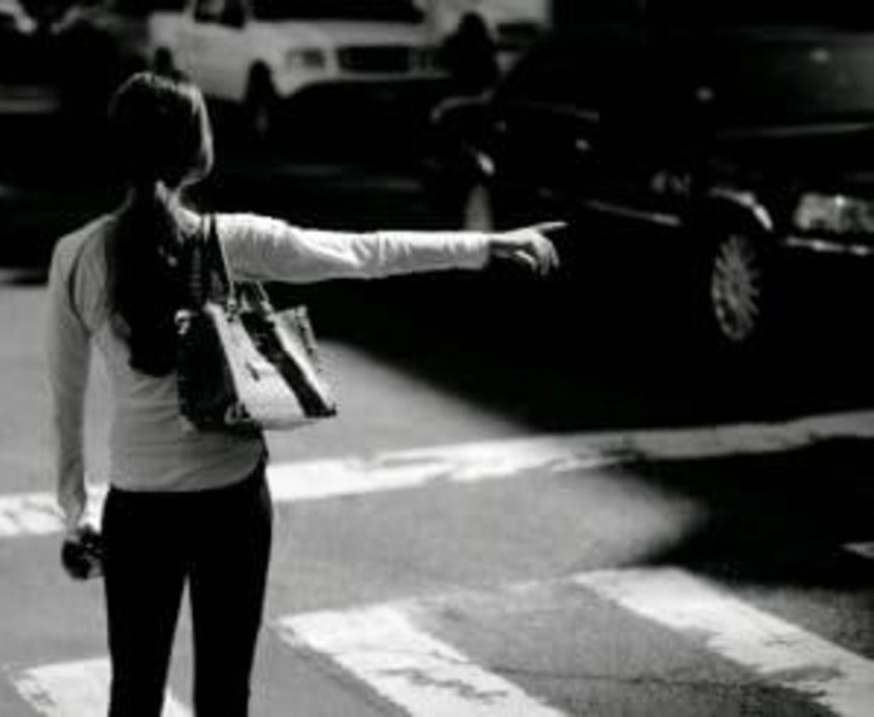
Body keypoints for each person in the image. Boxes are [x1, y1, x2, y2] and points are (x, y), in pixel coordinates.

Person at [45, 71, 561, 717]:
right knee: (226, 694)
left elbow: (65, 403)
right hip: (231, 503)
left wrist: (76, 512)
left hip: (138, 509)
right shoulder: (233, 240)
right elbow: (363, 251)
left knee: (134, 693)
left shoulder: (74, 257)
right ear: (195, 151)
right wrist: (485, 245)